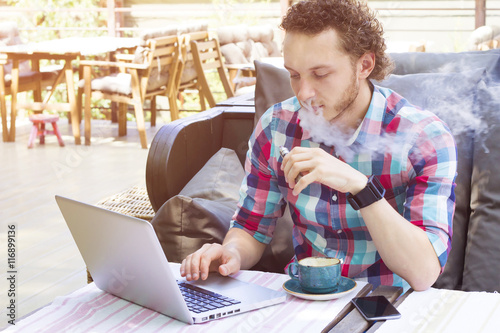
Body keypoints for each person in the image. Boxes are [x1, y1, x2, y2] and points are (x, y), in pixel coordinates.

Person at [180, 0, 457, 292]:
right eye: (294, 75)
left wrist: (360, 187)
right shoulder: (277, 127)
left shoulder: (424, 138)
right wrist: (231, 253)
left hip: (388, 304)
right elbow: (251, 227)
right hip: (303, 299)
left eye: (320, 74)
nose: (304, 93)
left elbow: (424, 272)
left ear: (364, 65)